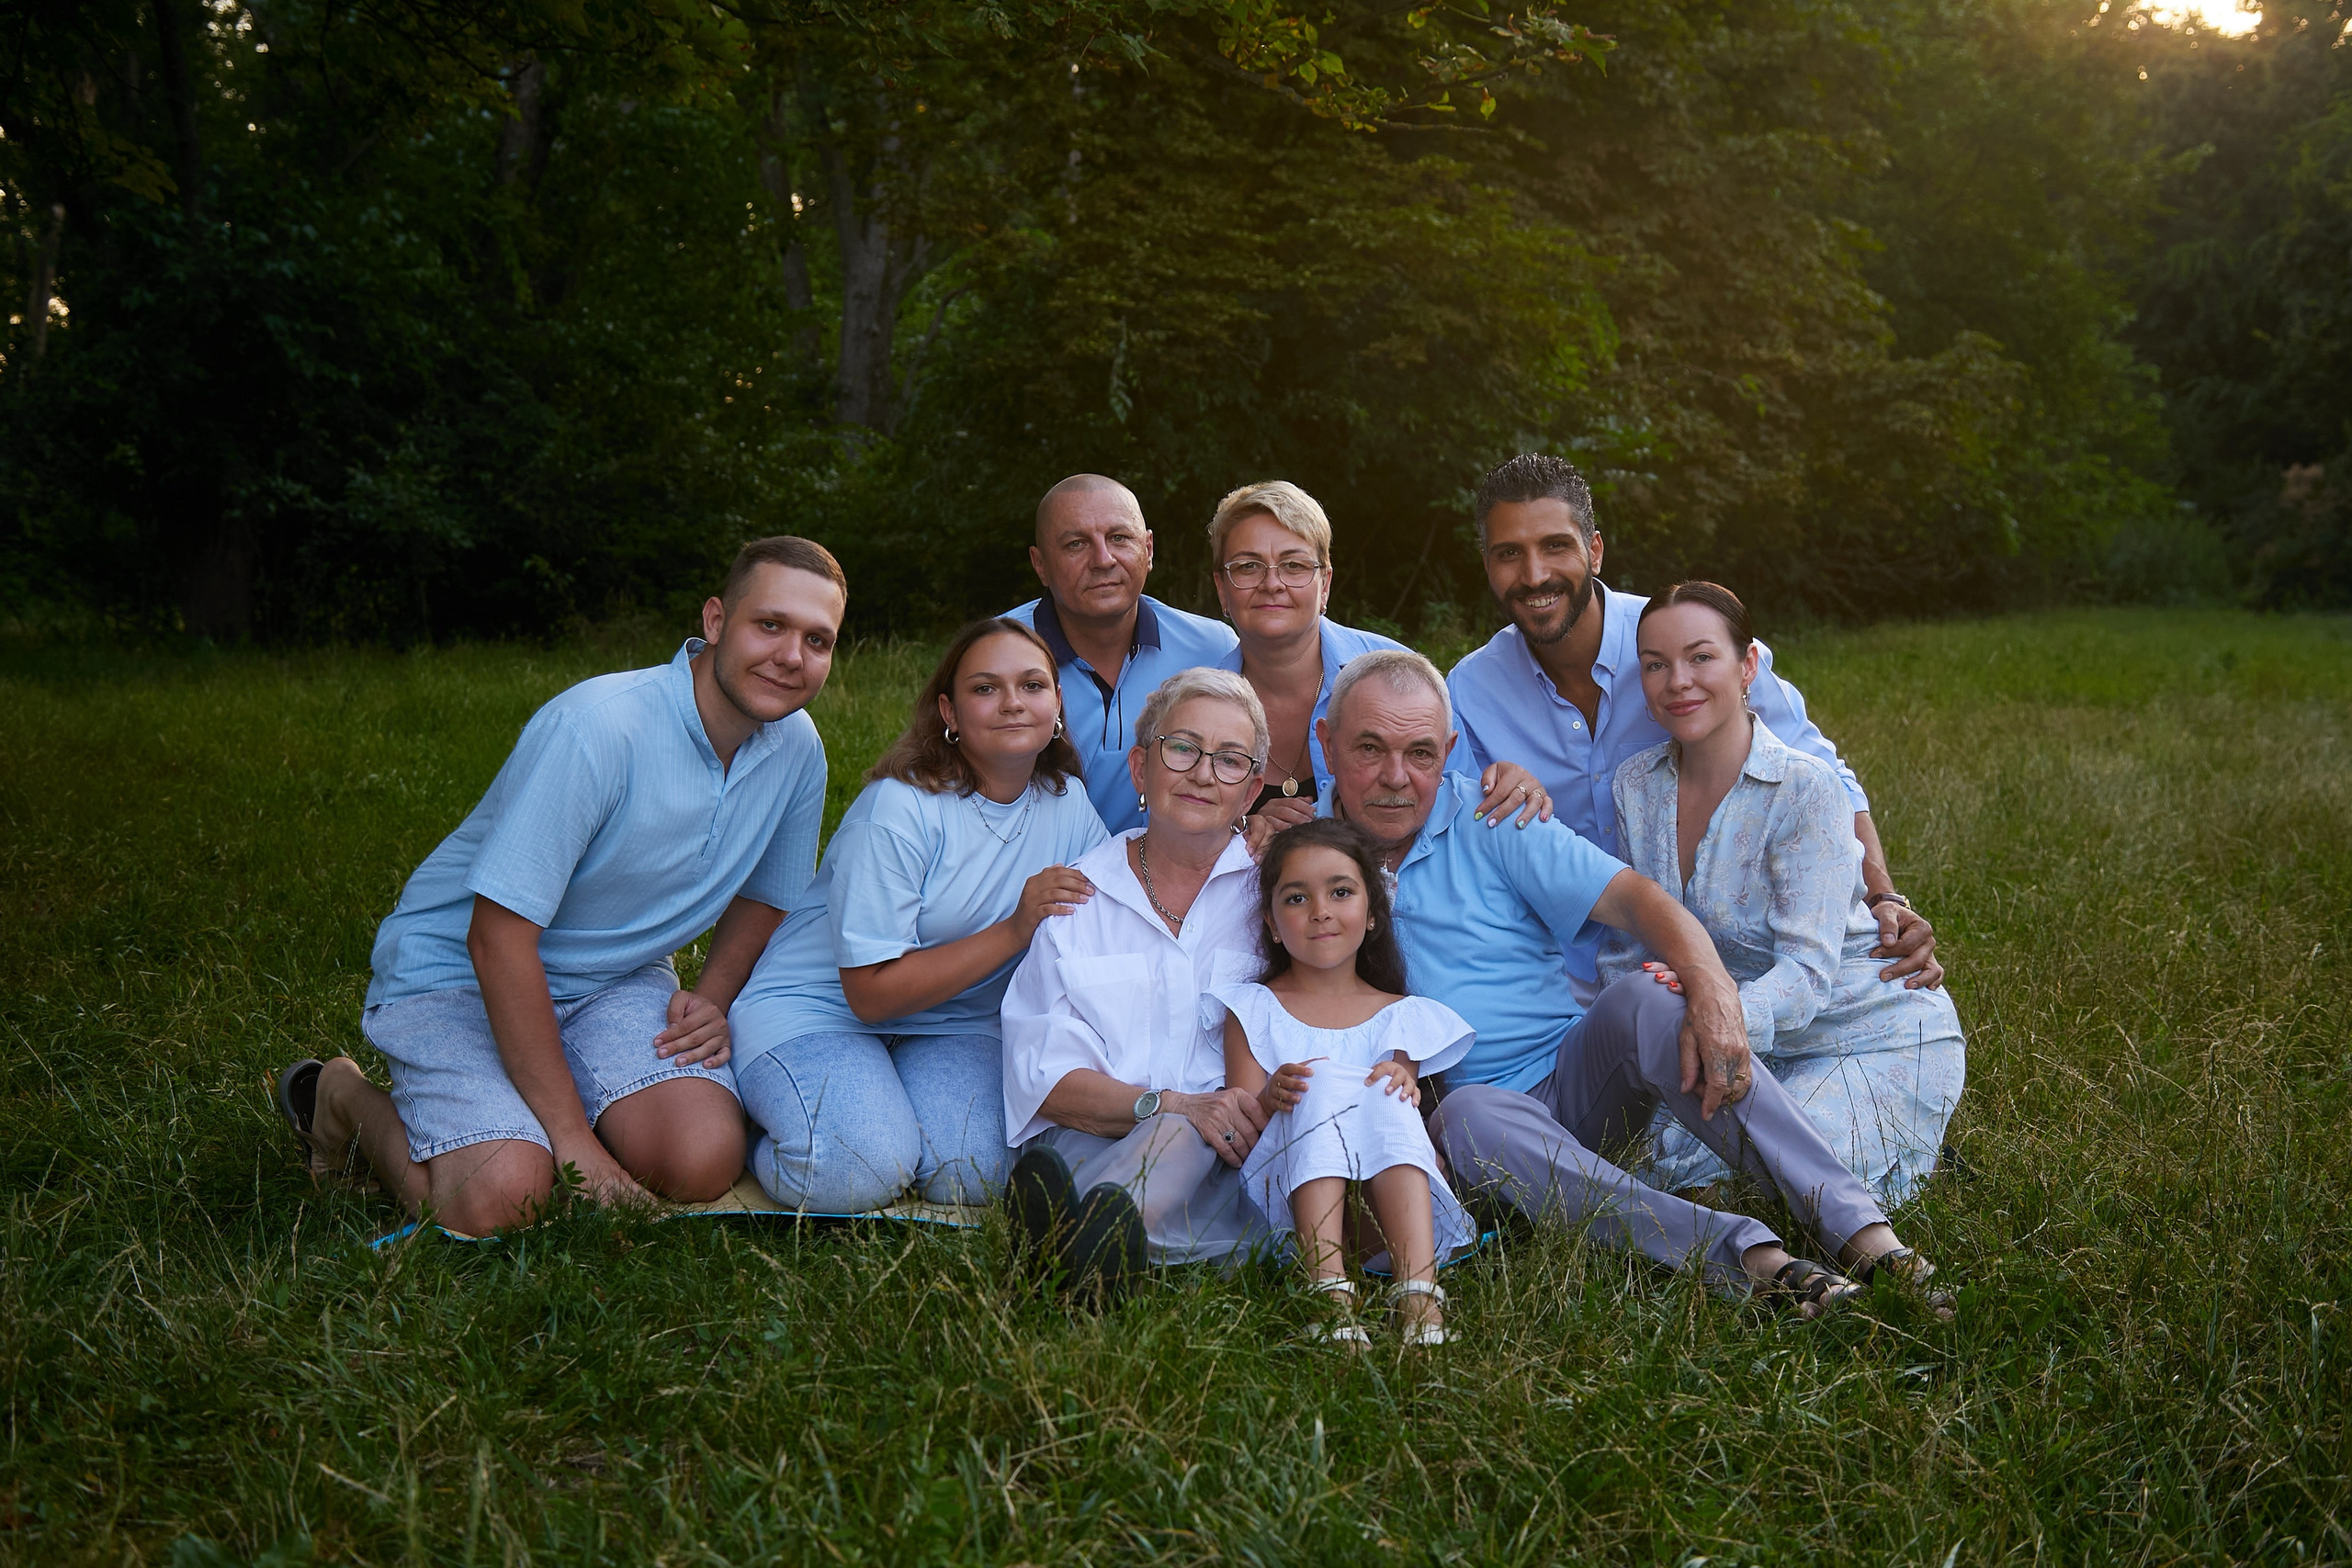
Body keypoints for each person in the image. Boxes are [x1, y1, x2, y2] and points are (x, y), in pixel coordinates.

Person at [1319, 648, 1952, 1314]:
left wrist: (1710, 987)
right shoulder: (1298, 863)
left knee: (1652, 996)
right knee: (1472, 1112)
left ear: (1448, 750)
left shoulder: (1490, 817)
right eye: (1370, 748)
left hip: (1573, 1083)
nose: (1396, 776)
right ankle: (1755, 1261)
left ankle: (1866, 1235)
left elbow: (1637, 901)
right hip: (1457, 1132)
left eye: (1420, 753)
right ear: (1328, 745)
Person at [274, 537, 844, 1236]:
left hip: (615, 979)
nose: (792, 655)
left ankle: (540, 1104)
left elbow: (769, 891)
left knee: (702, 1157)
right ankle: (338, 1099)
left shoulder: (797, 746)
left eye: (817, 639)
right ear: (717, 620)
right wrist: (571, 1137)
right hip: (458, 973)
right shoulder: (599, 727)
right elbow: (496, 937)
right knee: (504, 1197)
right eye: (771, 625)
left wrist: (713, 996)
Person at [1444, 454, 1941, 1000]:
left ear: (1595, 550)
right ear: (1487, 565)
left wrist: (1884, 898)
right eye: (1508, 554)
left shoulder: (1685, 642)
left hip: (1739, 951)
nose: (1534, 574)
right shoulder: (1470, 691)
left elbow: (1820, 774)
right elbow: (1463, 844)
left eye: (1556, 546)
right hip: (1561, 969)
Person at [1600, 583, 1966, 1207]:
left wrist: (1710, 1025)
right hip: (1720, 1034)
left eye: (1700, 657)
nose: (1677, 681)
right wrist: (1624, 1038)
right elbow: (1630, 943)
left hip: (1859, 1027)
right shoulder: (1636, 786)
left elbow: (1805, 976)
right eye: (1656, 664)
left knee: (1772, 1183)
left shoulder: (1806, 788)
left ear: (1747, 667)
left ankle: (1895, 1129)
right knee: (1657, 1174)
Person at [727, 619, 1107, 1213]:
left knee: (977, 1173)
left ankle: (887, 1107)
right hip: (821, 1010)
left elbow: (1112, 914)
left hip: (953, 1026)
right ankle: (764, 1122)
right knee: (854, 1168)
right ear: (949, 711)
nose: (1012, 702)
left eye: (1032, 685)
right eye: (986, 688)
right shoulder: (900, 808)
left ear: (1057, 703)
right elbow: (870, 997)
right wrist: (1014, 928)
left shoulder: (1069, 803)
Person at [998, 669, 1274, 1298]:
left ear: (1254, 787)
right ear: (1140, 767)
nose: (1203, 773)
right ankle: (1095, 1247)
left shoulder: (1278, 899)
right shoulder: (1077, 897)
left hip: (1220, 1160)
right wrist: (1164, 1102)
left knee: (1183, 1135)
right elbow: (1043, 1078)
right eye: (1182, 748)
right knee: (1100, 1147)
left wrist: (1189, 1115)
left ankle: (1065, 1249)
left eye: (1230, 760)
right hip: (1091, 1141)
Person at [1216, 818, 1477, 1348]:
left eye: (1341, 892)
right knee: (1326, 1081)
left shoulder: (1401, 1016)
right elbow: (1242, 1133)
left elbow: (1401, 1113)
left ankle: (1419, 1295)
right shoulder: (1253, 1009)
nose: (1321, 911)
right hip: (1286, 1211)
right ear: (1270, 922)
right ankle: (1327, 1294)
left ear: (1373, 913)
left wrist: (1406, 1082)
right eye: (1296, 898)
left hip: (1380, 1214)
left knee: (1386, 1085)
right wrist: (1272, 1097)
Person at [1203, 479, 1551, 838]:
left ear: (1325, 585)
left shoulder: (1397, 673)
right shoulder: (1200, 707)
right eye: (1248, 567)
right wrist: (1235, 829)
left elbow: (1460, 803)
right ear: (1221, 589)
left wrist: (1508, 785)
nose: (1272, 583)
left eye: (1294, 566)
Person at [1006, 473, 1238, 833]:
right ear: (1040, 565)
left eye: (1119, 538)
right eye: (1076, 544)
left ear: (1148, 550)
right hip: (1035, 879)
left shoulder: (1214, 650)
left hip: (1172, 875)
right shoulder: (995, 654)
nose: (1103, 559)